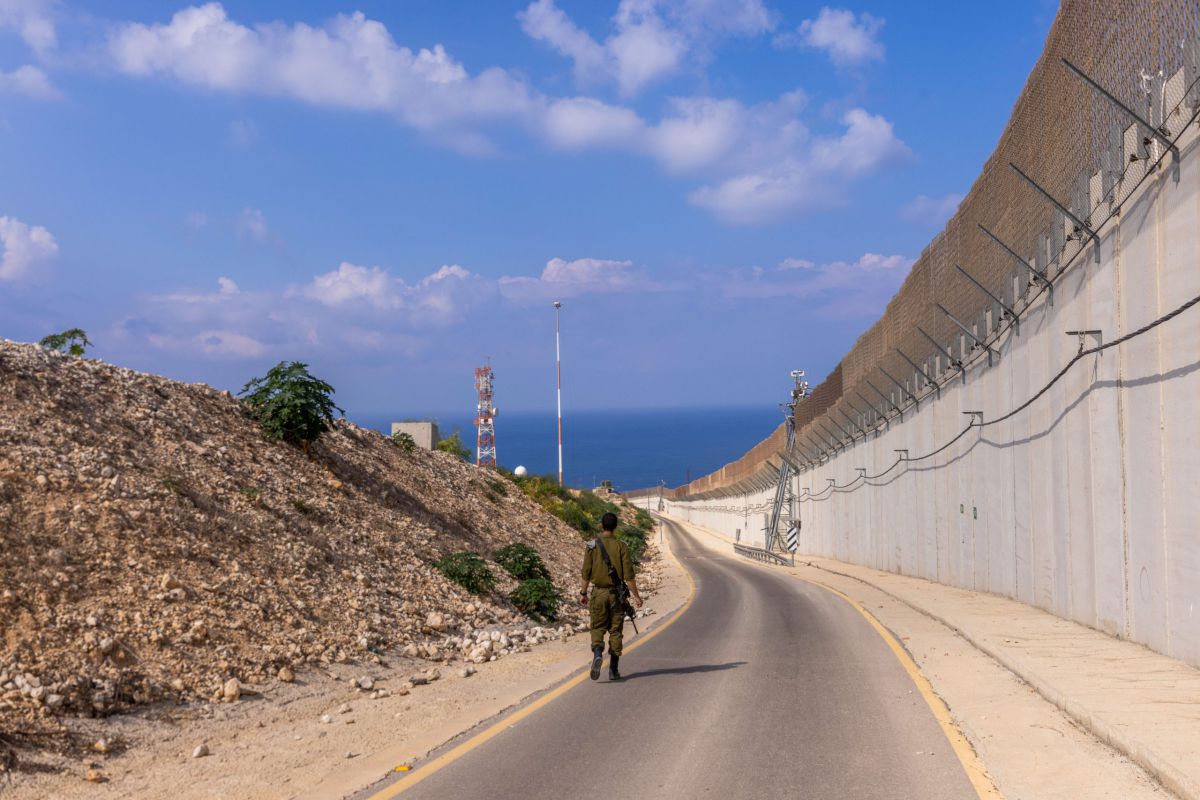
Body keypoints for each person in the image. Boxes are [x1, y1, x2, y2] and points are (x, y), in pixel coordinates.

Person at [579, 511, 643, 681]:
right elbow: (629, 576)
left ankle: (598, 653)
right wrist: (636, 597)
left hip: (598, 593)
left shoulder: (592, 546)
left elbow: (586, 572)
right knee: (616, 631)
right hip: (616, 596)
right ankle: (613, 670)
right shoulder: (621, 546)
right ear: (615, 527)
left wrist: (583, 593)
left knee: (598, 627)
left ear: (601, 525)